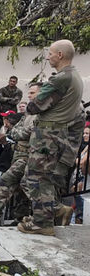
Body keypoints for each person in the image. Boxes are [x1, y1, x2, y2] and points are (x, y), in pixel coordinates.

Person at [19, 40, 84, 235]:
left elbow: (34, 106)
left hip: (47, 134)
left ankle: (43, 223)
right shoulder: (74, 76)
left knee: (38, 179)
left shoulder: (61, 79)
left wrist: (34, 102)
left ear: (60, 55)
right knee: (38, 177)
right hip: (55, 133)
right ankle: (45, 215)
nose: (48, 57)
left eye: (50, 54)